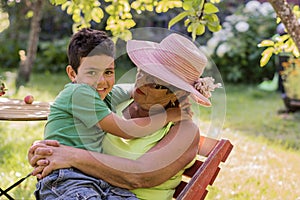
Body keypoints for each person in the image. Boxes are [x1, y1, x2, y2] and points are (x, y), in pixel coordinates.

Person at [29, 33, 221, 200]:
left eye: (156, 84)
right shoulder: (114, 100)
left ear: (177, 94)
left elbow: (139, 176)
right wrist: (44, 152)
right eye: (143, 71)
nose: (141, 85)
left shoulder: (184, 130)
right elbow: (71, 128)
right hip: (86, 188)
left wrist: (72, 156)